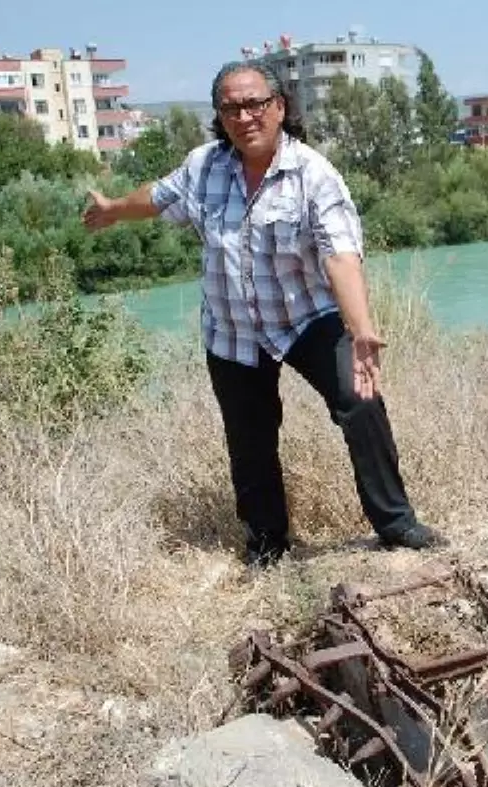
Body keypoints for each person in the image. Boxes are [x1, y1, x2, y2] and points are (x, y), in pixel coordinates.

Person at [82, 61, 442, 568]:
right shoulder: (203, 165)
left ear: (279, 107)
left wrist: (361, 329)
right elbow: (159, 197)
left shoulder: (314, 174)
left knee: (360, 402)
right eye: (231, 107)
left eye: (255, 103)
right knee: (249, 440)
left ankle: (396, 522)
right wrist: (115, 208)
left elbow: (340, 255)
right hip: (233, 329)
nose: (244, 116)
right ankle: (267, 546)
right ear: (219, 116)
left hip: (306, 318)